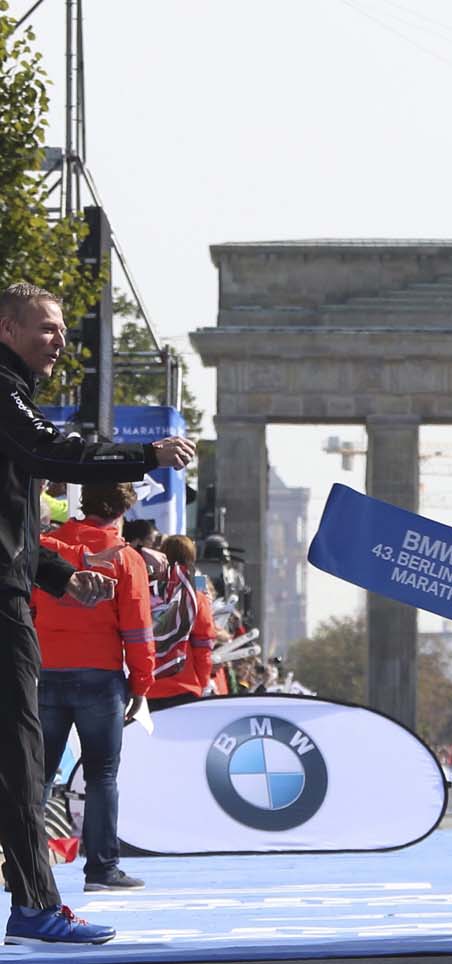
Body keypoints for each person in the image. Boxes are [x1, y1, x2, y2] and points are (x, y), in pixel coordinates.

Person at [0, 283, 194, 946]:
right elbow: (49, 452)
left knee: (24, 759)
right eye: (47, 327)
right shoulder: (4, 395)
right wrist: (145, 454)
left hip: (20, 600)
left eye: (59, 328)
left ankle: (34, 903)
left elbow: (11, 520)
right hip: (13, 618)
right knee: (22, 762)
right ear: (6, 328)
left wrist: (56, 575)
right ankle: (33, 908)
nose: (59, 340)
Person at [33, 483, 153, 893]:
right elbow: (137, 629)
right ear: (123, 511)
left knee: (38, 777)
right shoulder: (126, 558)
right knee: (101, 775)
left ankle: (24, 870)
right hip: (101, 677)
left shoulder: (46, 546)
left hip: (45, 670)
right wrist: (141, 684)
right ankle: (101, 870)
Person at [144, 536, 216, 712]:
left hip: (146, 688)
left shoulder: (145, 592)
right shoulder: (195, 597)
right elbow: (203, 644)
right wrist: (203, 682)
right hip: (184, 687)